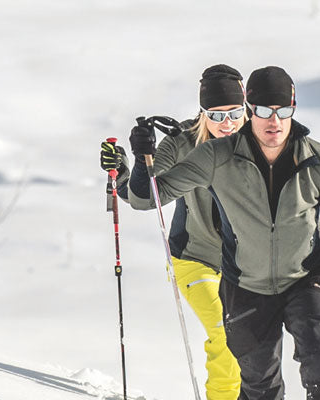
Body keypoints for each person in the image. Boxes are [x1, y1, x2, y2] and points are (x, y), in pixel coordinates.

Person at [123, 66, 320, 400]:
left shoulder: (319, 160)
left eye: (283, 111)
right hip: (244, 285)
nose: (274, 121)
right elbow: (147, 200)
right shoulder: (215, 156)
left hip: (306, 278)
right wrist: (143, 163)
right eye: (263, 111)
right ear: (251, 109)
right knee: (260, 388)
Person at [101, 64, 247, 400]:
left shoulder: (261, 140)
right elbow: (144, 196)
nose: (227, 124)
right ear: (202, 112)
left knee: (253, 344)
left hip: (245, 267)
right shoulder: (183, 142)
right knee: (224, 332)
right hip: (194, 259)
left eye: (235, 113)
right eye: (217, 114)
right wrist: (139, 160)